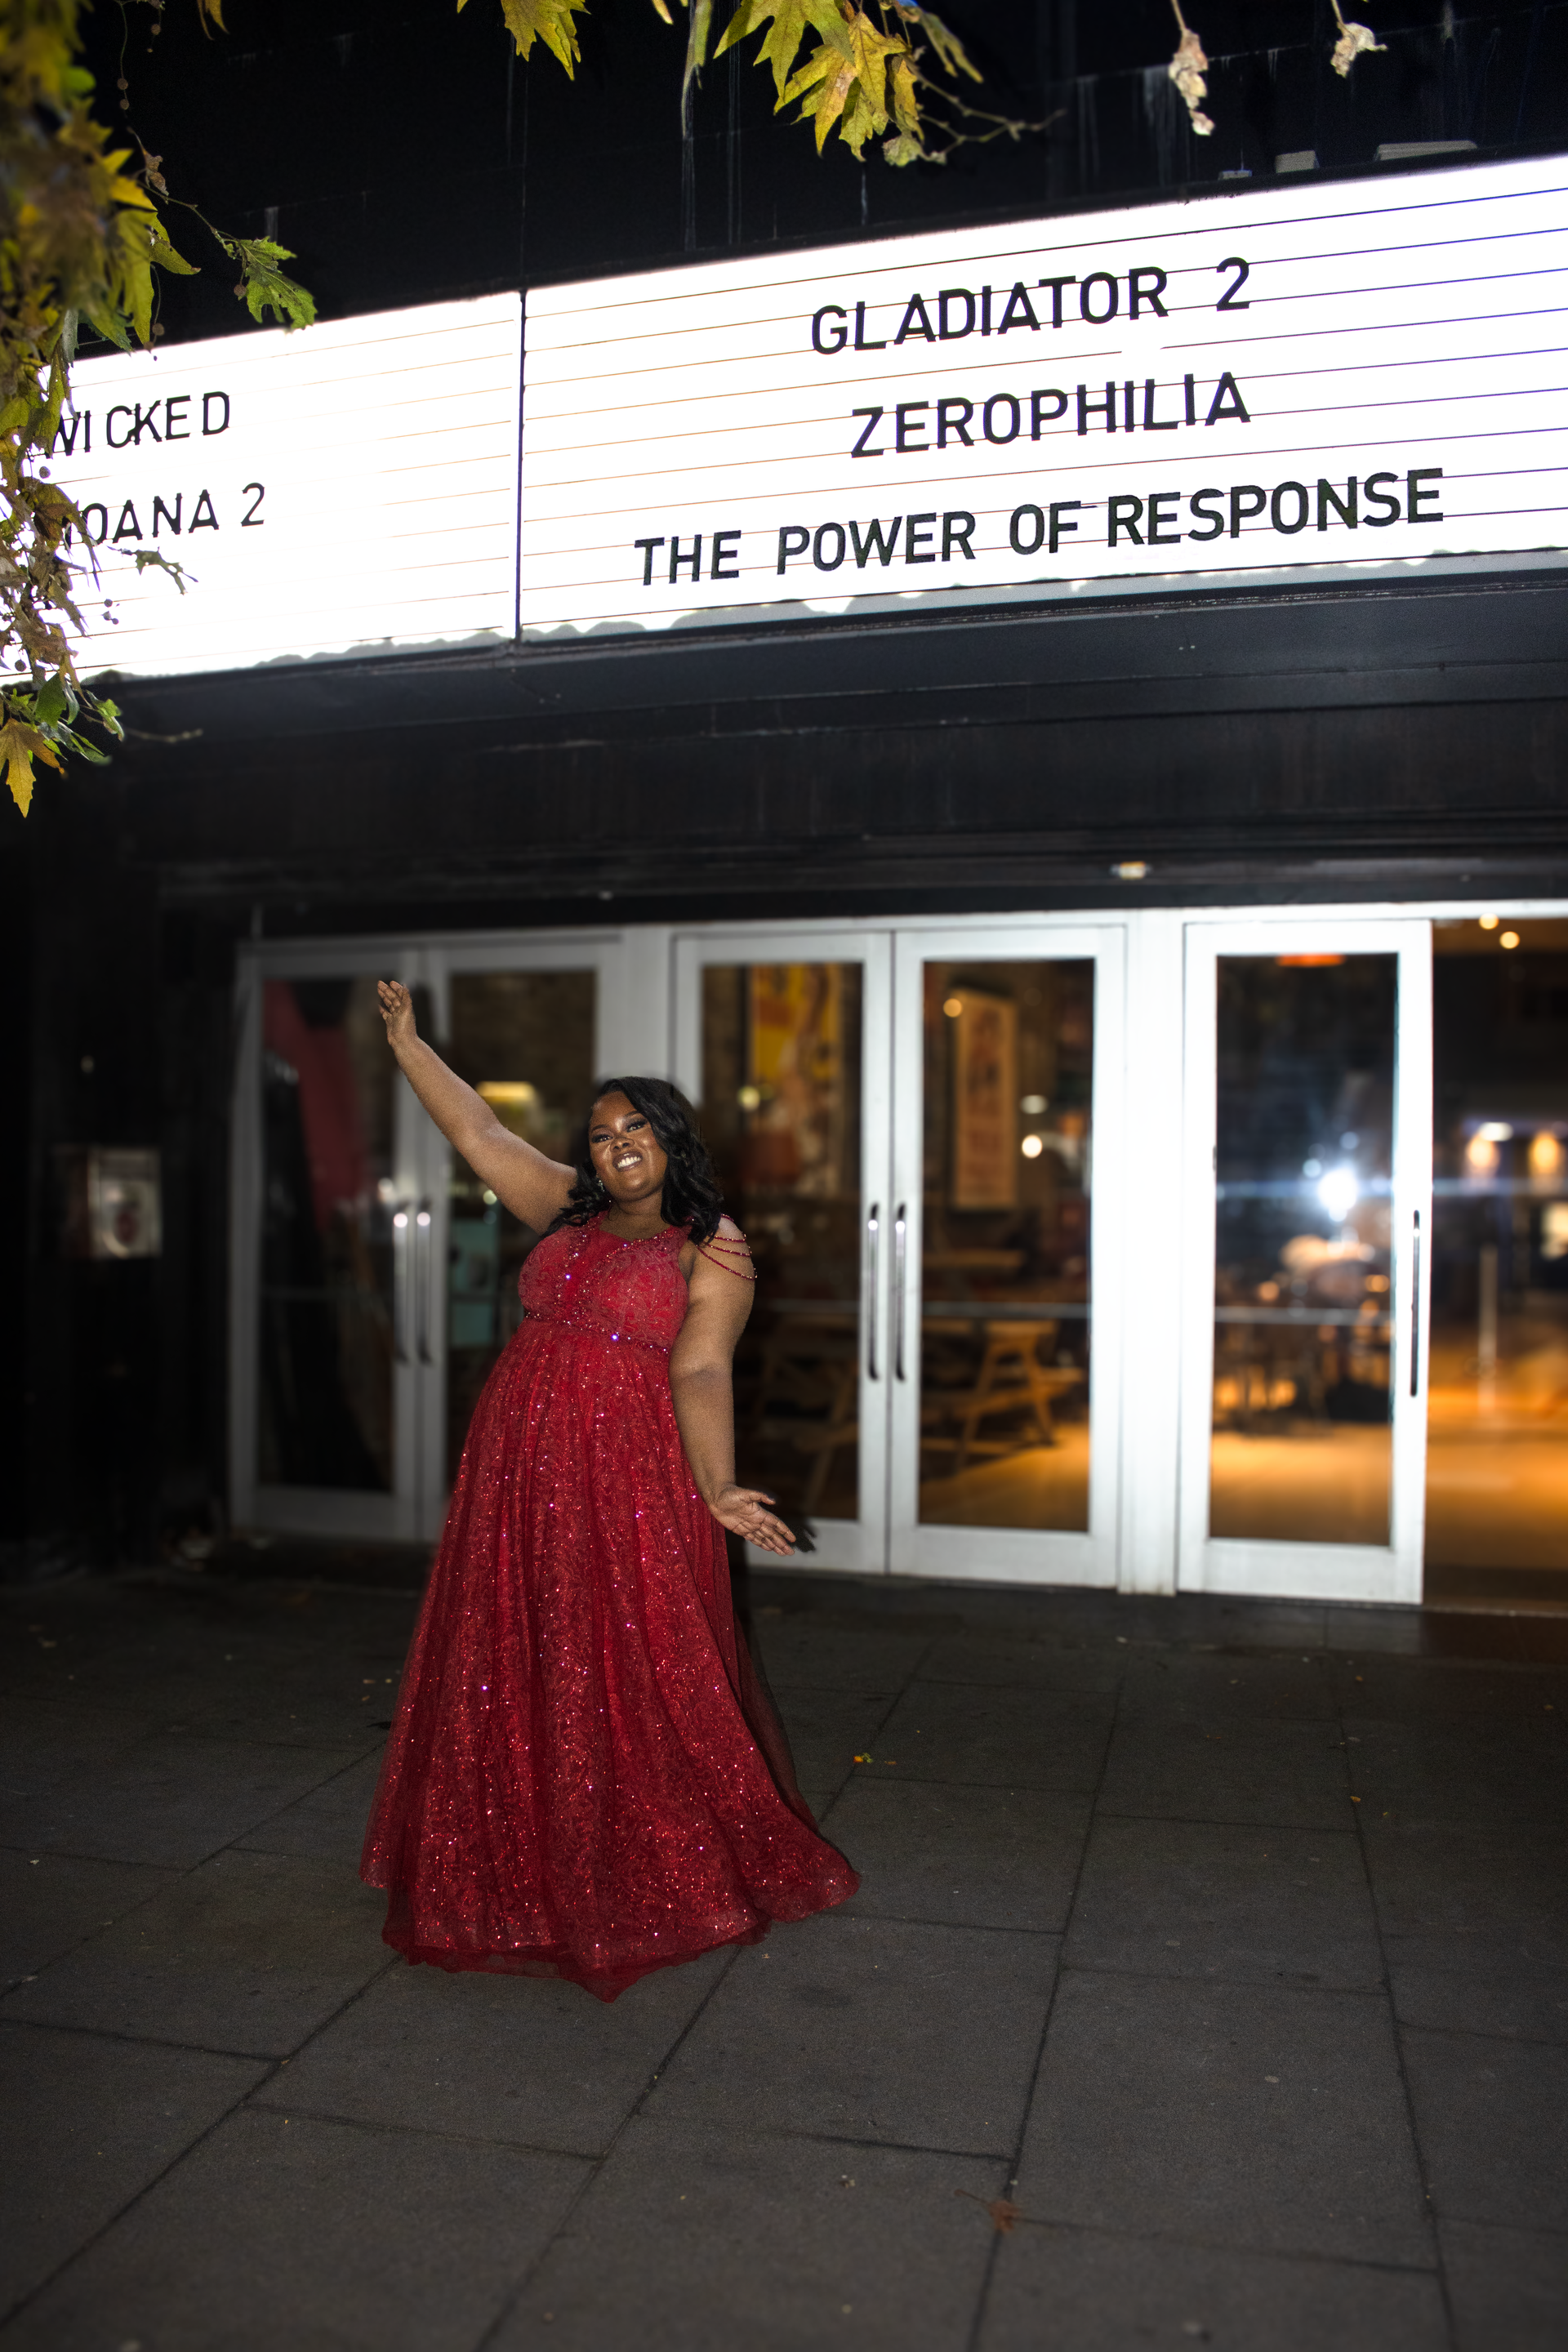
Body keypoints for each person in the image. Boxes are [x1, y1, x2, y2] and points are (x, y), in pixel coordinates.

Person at [360, 982, 858, 2000]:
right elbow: (478, 1130)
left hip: (626, 1471)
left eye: (636, 1128)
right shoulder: (565, 1209)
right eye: (600, 1134)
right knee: (521, 1646)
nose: (618, 1144)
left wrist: (718, 1485)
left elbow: (701, 1367)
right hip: (519, 1464)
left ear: (672, 1140)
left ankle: (640, 1858)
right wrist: (409, 1045)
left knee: (625, 1656)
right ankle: (518, 1854)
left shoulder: (711, 1244)